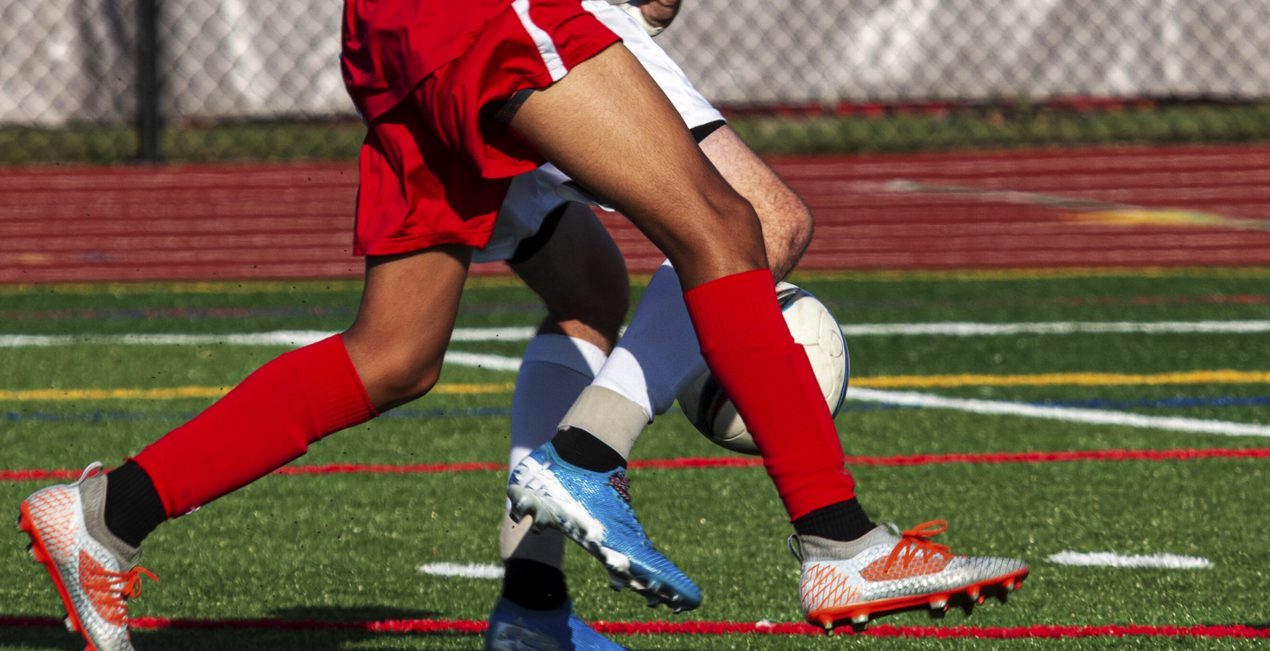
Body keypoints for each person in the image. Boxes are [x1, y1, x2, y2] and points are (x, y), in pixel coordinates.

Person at [16, 3, 1025, 651]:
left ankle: (107, 515)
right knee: (743, 223)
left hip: (392, 28)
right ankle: (830, 534)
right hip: (480, 9)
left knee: (404, 352)